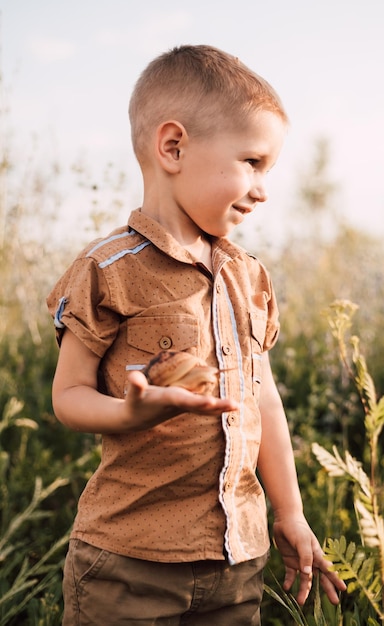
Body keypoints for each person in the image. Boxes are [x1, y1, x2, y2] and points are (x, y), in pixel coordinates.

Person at [47, 44, 346, 626]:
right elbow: (68, 396)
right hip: (129, 563)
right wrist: (129, 415)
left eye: (269, 170)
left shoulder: (247, 274)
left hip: (237, 559)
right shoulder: (108, 269)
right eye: (252, 162)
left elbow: (262, 396)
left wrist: (290, 512)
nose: (263, 189)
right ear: (174, 147)